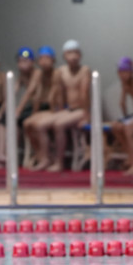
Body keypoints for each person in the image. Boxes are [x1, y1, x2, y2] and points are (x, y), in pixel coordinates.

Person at [26, 40, 92, 172]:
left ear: (80, 55)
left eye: (76, 53)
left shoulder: (85, 70)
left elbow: (84, 94)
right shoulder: (61, 71)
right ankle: (45, 158)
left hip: (81, 110)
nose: (73, 57)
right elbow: (59, 94)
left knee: (58, 124)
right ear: (64, 56)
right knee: (39, 125)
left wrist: (87, 115)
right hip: (68, 110)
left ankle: (59, 162)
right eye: (70, 53)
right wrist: (58, 112)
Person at [0, 47, 36, 169]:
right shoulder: (21, 76)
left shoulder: (37, 73)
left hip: (35, 109)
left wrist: (18, 110)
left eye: (26, 61)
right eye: (20, 61)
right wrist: (0, 113)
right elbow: (11, 95)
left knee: (13, 120)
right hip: (25, 110)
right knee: (1, 120)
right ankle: (0, 154)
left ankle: (11, 156)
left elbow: (28, 93)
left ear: (32, 62)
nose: (23, 64)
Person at [16, 46, 57, 170]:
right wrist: (33, 112)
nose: (44, 62)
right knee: (27, 123)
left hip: (54, 108)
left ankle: (46, 158)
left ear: (53, 60)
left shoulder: (56, 73)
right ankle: (40, 155)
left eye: (47, 58)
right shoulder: (39, 75)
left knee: (38, 125)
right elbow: (36, 95)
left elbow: (54, 96)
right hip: (42, 108)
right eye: (42, 59)